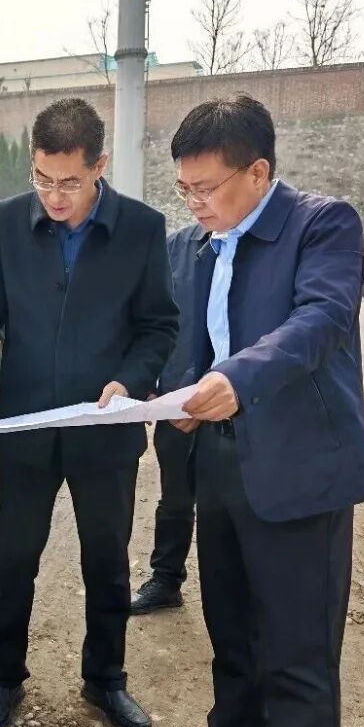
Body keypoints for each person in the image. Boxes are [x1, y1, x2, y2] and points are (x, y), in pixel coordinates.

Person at [154, 94, 364, 727]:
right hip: (221, 463)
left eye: (206, 188)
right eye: (184, 189)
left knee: (300, 660)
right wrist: (164, 393)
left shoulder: (323, 226)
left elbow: (319, 322)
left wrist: (237, 379)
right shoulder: (196, 245)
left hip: (299, 473)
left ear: (257, 173)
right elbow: (186, 341)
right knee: (232, 626)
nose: (194, 203)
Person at [0, 97, 178, 727]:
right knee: (14, 556)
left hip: (105, 429)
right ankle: (3, 678)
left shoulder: (140, 228)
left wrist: (131, 382)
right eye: (42, 179)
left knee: (106, 558)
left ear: (99, 167)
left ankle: (106, 678)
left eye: (70, 182)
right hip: (27, 425)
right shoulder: (8, 221)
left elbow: (159, 326)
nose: (54, 197)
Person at [130, 223, 202, 614]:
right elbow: (148, 320)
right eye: (189, 193)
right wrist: (148, 384)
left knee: (237, 504)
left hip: (240, 400)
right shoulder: (174, 248)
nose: (198, 200)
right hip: (175, 402)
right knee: (175, 496)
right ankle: (166, 578)